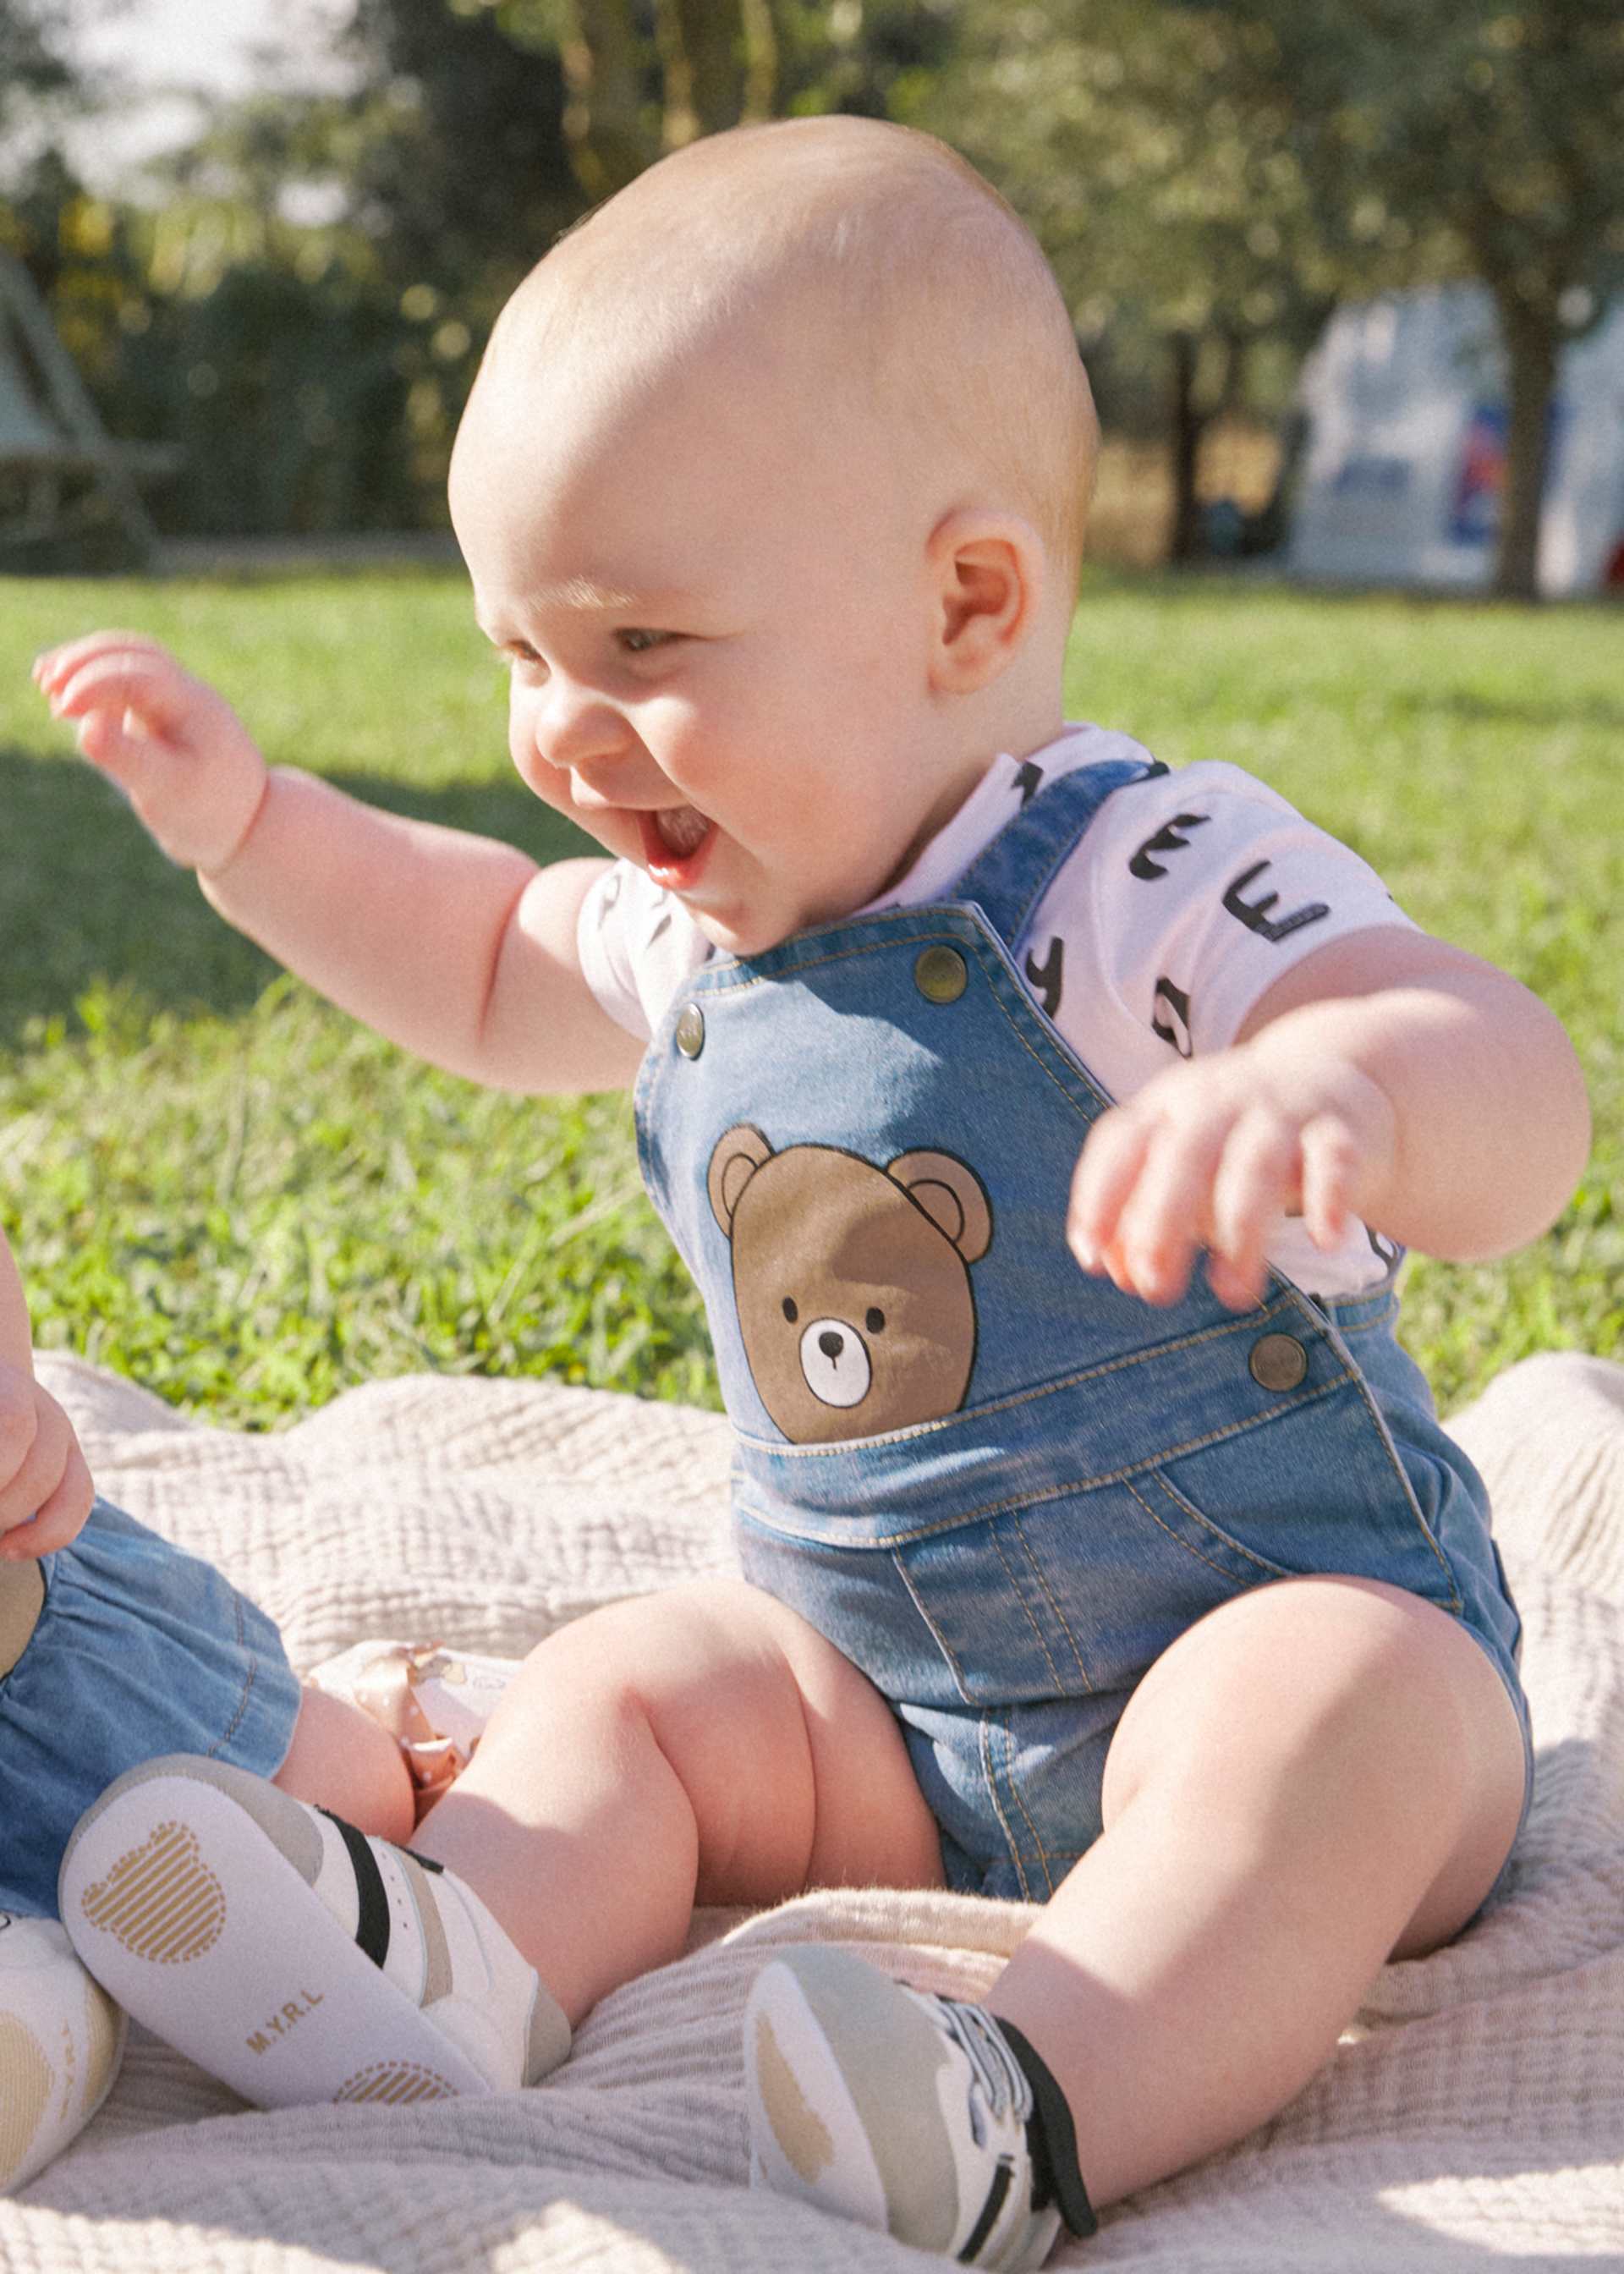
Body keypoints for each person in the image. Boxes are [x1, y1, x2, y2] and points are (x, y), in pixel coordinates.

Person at [33, 115, 1587, 2268]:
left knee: (1333, 1709)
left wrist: (1343, 1083)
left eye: (641, 640)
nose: (565, 735)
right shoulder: (699, 936)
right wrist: (252, 825)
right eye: (517, 654)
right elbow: (483, 950)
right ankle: (455, 1963)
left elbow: (1506, 1068)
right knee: (640, 1681)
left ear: (963, 604)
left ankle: (1024, 2097)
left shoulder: (1133, 878)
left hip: (1261, 1637)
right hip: (882, 1711)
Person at [0, 1214, 526, 2183]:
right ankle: (54, 2022)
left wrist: (11, 1408)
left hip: (45, 1684)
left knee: (350, 1800)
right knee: (36, 1988)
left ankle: (384, 1713)